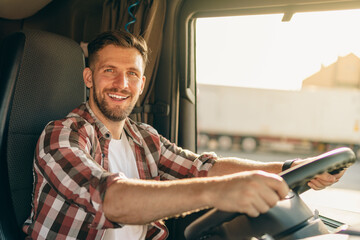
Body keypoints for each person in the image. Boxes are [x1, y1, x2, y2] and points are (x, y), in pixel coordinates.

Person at [22, 30, 345, 240]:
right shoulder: (62, 134)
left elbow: (205, 167)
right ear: (89, 78)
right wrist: (217, 192)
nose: (122, 84)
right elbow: (109, 199)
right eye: (110, 71)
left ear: (142, 83)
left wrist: (288, 168)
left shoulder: (144, 137)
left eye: (132, 74)